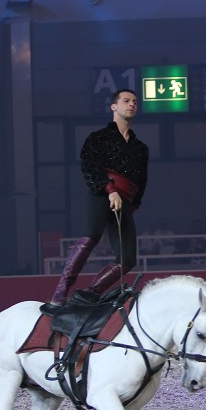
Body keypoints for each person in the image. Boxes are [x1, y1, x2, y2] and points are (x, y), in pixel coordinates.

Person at [48, 89, 148, 306]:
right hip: (103, 192)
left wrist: (133, 204)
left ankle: (90, 293)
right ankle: (60, 291)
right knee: (92, 235)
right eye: (126, 101)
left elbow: (141, 180)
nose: (132, 104)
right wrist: (110, 190)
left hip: (125, 201)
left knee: (128, 258)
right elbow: (90, 167)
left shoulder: (141, 148)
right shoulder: (98, 138)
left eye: (135, 102)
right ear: (114, 106)